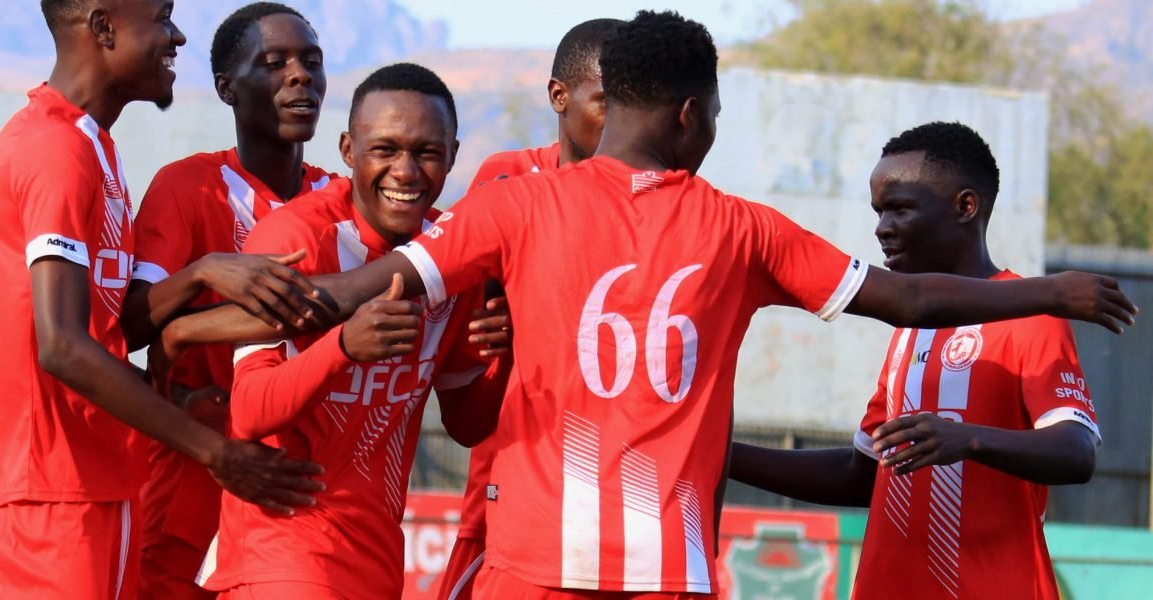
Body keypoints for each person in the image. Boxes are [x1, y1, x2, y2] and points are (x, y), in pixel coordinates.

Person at [157, 10, 1134, 598]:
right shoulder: (743, 228)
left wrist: (178, 305)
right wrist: (1052, 288)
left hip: (533, 561)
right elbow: (909, 299)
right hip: (668, 569)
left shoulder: (512, 206)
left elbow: (342, 293)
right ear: (690, 113)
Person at [0, 2, 322, 598]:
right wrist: (215, 450)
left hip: (93, 477)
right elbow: (62, 347)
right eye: (161, 17)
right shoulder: (52, 147)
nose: (177, 35)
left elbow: (106, 332)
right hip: (46, 486)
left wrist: (188, 330)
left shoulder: (91, 146)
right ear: (104, 28)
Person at [727, 121, 1100, 599]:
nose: (882, 227)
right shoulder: (910, 328)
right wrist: (722, 453)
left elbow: (1077, 452)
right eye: (879, 211)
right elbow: (862, 474)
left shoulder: (1029, 314)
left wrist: (969, 438)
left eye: (900, 208)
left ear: (966, 207)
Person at [195, 63, 509, 600]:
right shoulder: (296, 235)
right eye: (384, 149)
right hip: (281, 552)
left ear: (454, 154)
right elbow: (248, 410)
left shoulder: (447, 256)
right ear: (348, 150)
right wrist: (343, 347)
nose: (406, 172)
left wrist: (503, 356)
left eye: (427, 152)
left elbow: (466, 424)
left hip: (377, 560)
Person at [119, 4, 332, 598]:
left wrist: (188, 330)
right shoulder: (188, 187)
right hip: (191, 474)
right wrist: (203, 273)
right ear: (225, 88)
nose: (299, 76)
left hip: (298, 486)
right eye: (274, 63)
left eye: (311, 62)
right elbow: (130, 324)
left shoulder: (337, 199)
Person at [438, 17, 623, 600]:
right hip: (510, 462)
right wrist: (489, 336)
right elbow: (457, 308)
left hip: (614, 479)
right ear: (559, 97)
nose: (623, 122)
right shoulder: (509, 177)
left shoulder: (655, 200)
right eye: (607, 103)